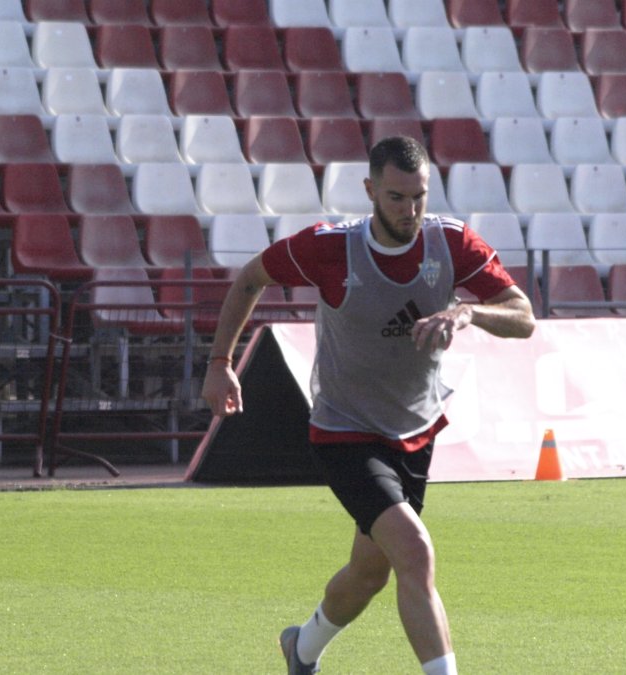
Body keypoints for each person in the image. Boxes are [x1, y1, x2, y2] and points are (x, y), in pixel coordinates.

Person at [201, 136, 535, 675]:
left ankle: (301, 648)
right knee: (416, 551)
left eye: (419, 197)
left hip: (416, 430)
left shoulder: (450, 243)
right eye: (398, 198)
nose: (410, 210)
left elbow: (523, 316)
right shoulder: (330, 248)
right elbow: (249, 280)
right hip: (344, 431)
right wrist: (220, 363)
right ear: (371, 191)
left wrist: (467, 314)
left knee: (369, 573)